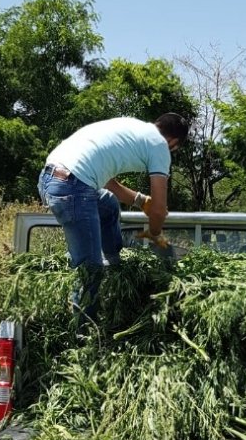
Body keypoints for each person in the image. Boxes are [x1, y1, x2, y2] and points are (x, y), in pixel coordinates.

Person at [37, 113, 189, 324]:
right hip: (74, 190)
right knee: (89, 270)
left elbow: (106, 181)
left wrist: (140, 200)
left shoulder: (131, 127)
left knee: (107, 203)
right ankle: (83, 341)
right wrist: (155, 234)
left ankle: (115, 264)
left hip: (49, 179)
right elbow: (159, 210)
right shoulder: (160, 145)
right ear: (173, 142)